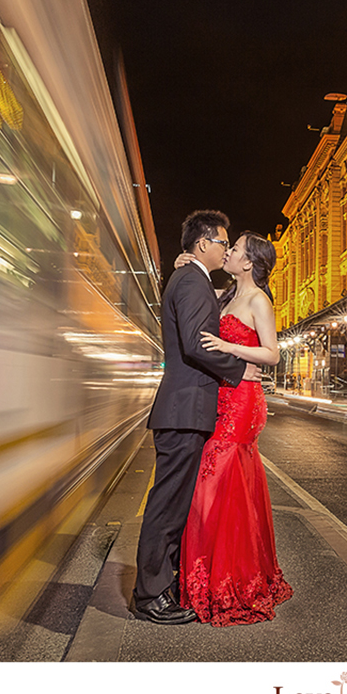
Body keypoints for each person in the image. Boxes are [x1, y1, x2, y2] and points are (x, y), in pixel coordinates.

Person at [130, 210, 255, 625]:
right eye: (224, 242)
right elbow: (198, 345)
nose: (226, 248)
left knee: (176, 505)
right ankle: (150, 595)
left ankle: (162, 586)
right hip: (184, 410)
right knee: (167, 507)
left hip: (186, 409)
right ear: (204, 244)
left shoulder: (192, 278)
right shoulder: (193, 281)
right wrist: (240, 370)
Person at [176, 231, 293, 625]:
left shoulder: (258, 299)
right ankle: (206, 578)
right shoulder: (225, 295)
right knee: (221, 488)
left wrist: (230, 348)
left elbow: (272, 353)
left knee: (215, 484)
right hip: (222, 397)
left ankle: (228, 581)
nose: (228, 251)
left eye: (236, 248)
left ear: (248, 262)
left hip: (243, 400)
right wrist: (184, 263)